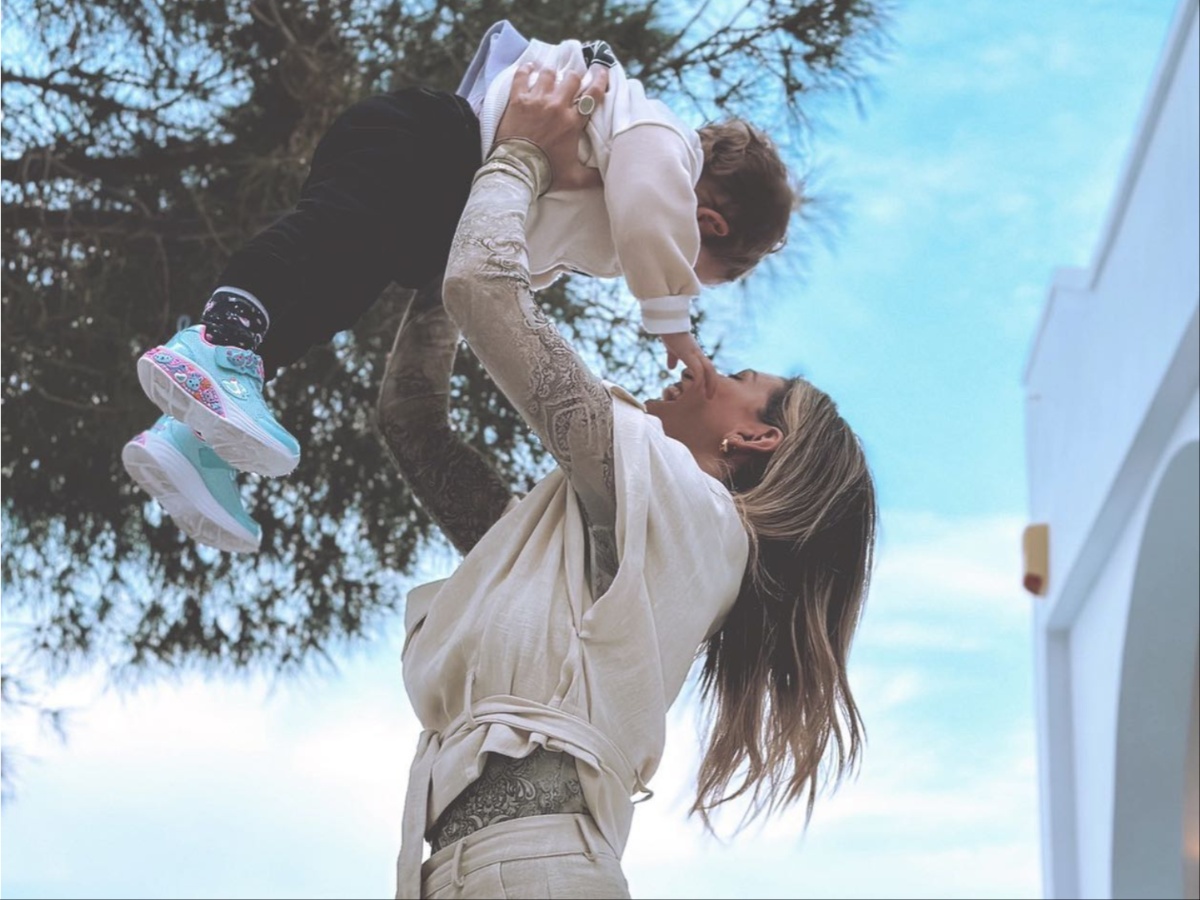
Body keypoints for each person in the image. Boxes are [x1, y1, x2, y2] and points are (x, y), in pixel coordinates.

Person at [379, 65, 876, 899]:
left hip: (529, 868)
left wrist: (519, 160)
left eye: (738, 373)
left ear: (757, 434)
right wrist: (445, 249)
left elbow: (485, 289)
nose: (703, 367)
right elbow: (412, 422)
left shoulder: (686, 510)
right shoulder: (594, 550)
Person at [121, 21, 796, 553]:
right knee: (326, 239)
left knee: (332, 296)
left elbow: (520, 257)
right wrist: (672, 322)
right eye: (694, 269)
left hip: (441, 203)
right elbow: (650, 211)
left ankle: (188, 435)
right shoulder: (664, 146)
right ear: (707, 222)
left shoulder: (610, 202)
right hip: (433, 145)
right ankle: (217, 338)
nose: (673, 273)